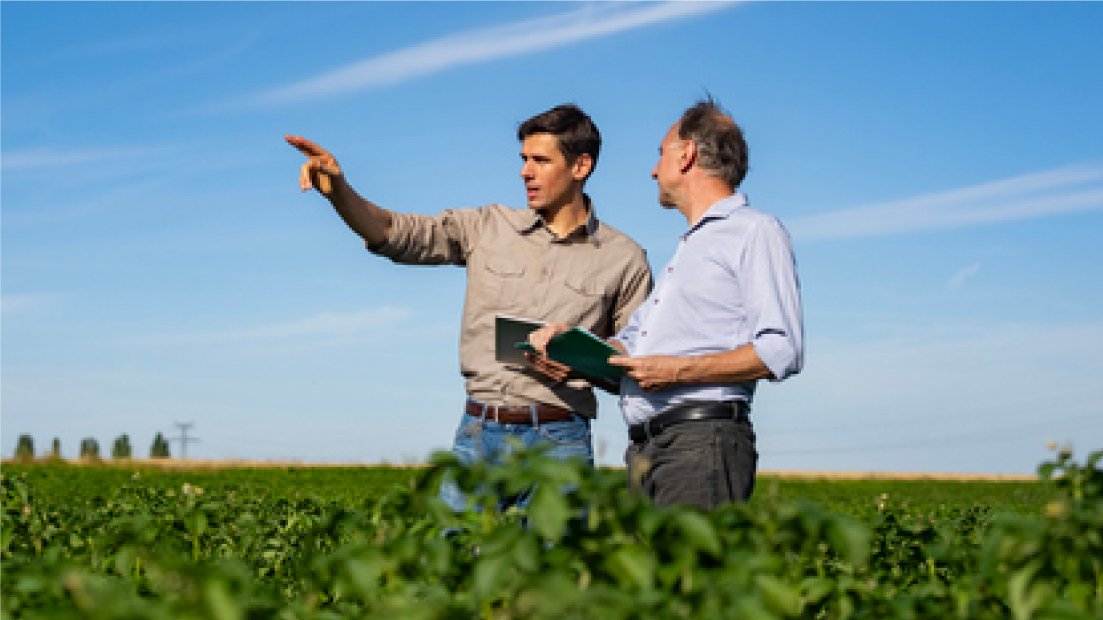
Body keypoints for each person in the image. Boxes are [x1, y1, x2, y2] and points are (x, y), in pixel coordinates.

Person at [286, 104, 652, 512]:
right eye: (524, 160)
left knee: (556, 571)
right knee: (455, 561)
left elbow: (637, 366)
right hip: (479, 432)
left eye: (540, 161)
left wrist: (581, 363)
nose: (525, 172)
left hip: (561, 440)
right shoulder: (487, 227)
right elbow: (395, 233)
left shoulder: (625, 259)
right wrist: (339, 191)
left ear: (581, 165)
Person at [529, 97, 803, 509]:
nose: (654, 170)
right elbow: (632, 347)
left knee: (690, 575)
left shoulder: (755, 232)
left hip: (700, 443)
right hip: (650, 449)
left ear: (687, 154)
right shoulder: (689, 250)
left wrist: (679, 371)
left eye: (661, 154)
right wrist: (574, 348)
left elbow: (782, 348)